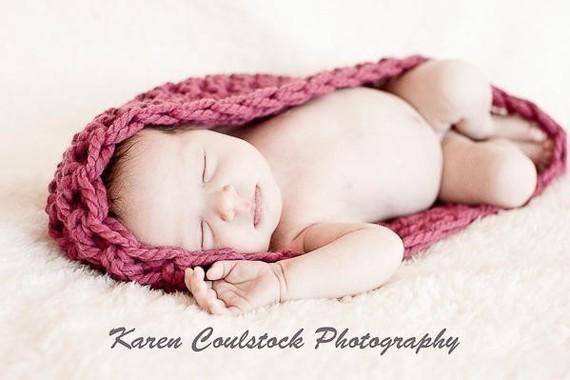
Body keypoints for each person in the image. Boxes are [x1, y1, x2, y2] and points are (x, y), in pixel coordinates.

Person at [102, 59, 552, 315]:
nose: (225, 202)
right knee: (513, 182)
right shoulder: (296, 233)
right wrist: (282, 280)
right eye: (203, 234)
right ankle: (480, 145)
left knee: (459, 81)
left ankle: (480, 125)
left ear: (201, 127)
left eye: (204, 168)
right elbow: (383, 249)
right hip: (443, 169)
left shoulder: (250, 121)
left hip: (407, 99)